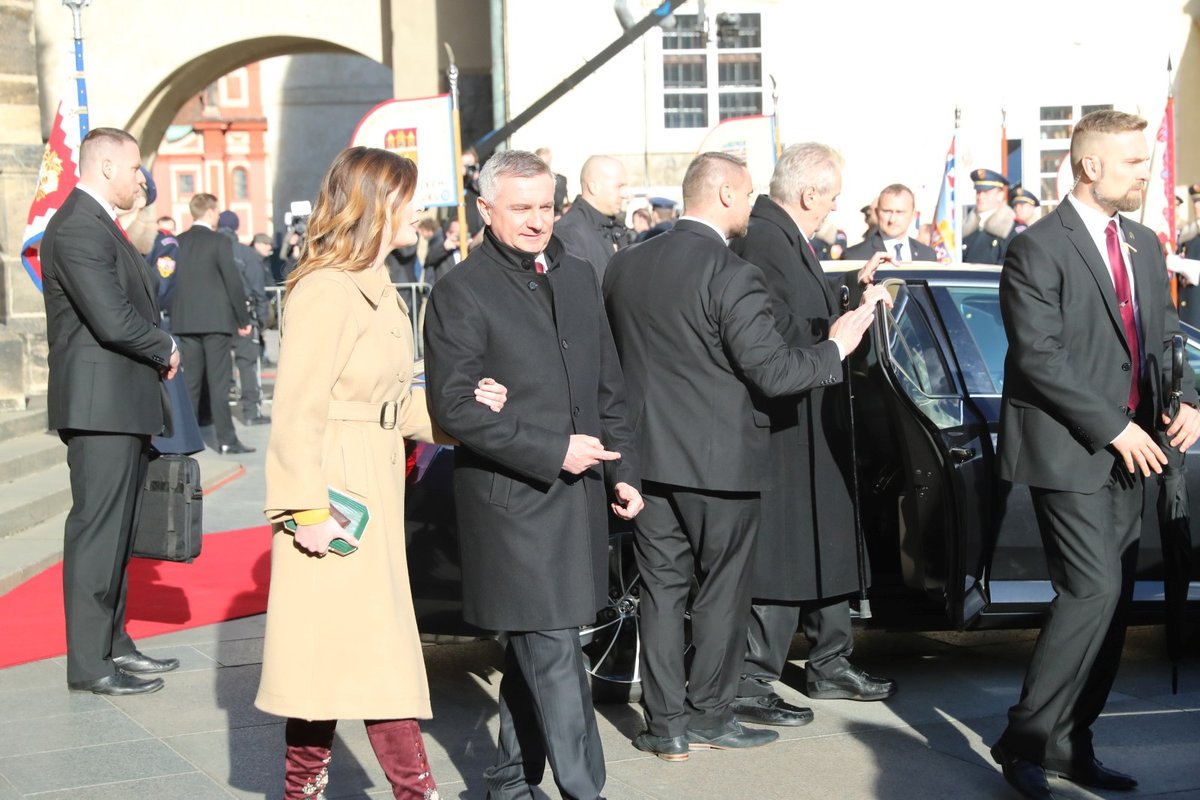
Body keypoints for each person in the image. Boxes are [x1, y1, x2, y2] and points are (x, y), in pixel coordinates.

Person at [603, 152, 884, 761]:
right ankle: (708, 715)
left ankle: (667, 726)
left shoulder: (625, 266)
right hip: (720, 466)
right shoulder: (731, 273)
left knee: (662, 593)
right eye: (750, 194)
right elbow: (775, 371)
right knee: (722, 594)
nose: (755, 207)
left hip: (644, 459)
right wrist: (835, 347)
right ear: (725, 193)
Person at [255, 146, 509, 800]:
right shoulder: (328, 290)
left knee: (334, 655)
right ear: (377, 205)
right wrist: (305, 509)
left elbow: (395, 401)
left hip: (369, 476)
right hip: (337, 488)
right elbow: (297, 410)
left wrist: (462, 413)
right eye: (410, 199)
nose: (420, 213)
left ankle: (303, 788)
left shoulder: (374, 284)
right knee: (370, 652)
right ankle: (411, 790)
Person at [991, 110, 1200, 800]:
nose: (1147, 172)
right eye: (1136, 161)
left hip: (1135, 451)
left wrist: (1188, 398)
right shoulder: (1037, 248)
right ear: (1090, 166)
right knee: (1093, 590)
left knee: (1112, 607)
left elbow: (1166, 339)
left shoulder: (1141, 241)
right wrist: (1114, 427)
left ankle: (1071, 743)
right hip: (1069, 448)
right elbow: (1040, 357)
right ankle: (1023, 740)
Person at [424, 149, 643, 800]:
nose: (536, 220)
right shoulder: (460, 291)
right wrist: (553, 450)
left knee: (538, 648)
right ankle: (587, 790)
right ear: (485, 208)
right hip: (511, 508)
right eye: (520, 208)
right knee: (553, 652)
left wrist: (624, 470)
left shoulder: (577, 277)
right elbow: (454, 407)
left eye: (546, 206)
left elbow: (610, 386)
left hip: (578, 502)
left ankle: (508, 784)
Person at [728, 143, 898, 731]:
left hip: (813, 419)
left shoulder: (784, 237)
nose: (833, 208)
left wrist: (851, 294)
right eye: (831, 197)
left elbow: (810, 315)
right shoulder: (763, 241)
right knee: (784, 549)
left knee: (824, 537)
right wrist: (837, 324)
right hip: (785, 423)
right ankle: (753, 674)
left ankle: (830, 659)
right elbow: (769, 331)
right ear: (808, 195)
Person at [41, 127, 181, 696]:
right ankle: (89, 664)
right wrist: (167, 347)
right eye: (134, 169)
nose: (140, 178)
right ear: (103, 168)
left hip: (122, 403)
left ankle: (113, 644)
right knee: (97, 534)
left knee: (120, 535)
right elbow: (111, 318)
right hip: (100, 407)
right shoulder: (77, 226)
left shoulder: (102, 224)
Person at [170, 193, 254, 454]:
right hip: (216, 321)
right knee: (219, 382)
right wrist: (243, 318)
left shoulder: (178, 242)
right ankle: (227, 440)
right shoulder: (219, 241)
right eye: (216, 212)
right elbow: (233, 281)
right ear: (208, 212)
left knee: (191, 383)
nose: (218, 216)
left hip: (185, 321)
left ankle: (186, 439)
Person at [217, 210, 271, 425]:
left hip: (216, 314)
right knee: (247, 364)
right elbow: (257, 287)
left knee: (218, 365)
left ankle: (214, 415)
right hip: (244, 315)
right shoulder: (244, 253)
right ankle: (251, 412)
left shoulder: (210, 249)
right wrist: (261, 316)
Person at [554, 154, 630, 281]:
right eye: (619, 186)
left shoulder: (615, 228)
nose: (625, 194)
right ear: (594, 187)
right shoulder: (568, 233)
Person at [843, 183, 938, 261]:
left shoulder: (928, 255)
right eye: (887, 211)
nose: (892, 219)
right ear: (876, 212)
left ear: (913, 215)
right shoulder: (854, 256)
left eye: (900, 212)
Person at [962, 168, 1017, 264]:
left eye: (986, 192)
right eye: (978, 192)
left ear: (1000, 195)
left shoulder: (1010, 230)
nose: (980, 197)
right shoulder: (966, 230)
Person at [534, 146, 570, 216]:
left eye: (547, 162)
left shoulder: (560, 180)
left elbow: (561, 204)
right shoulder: (530, 181)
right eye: (542, 163)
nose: (545, 166)